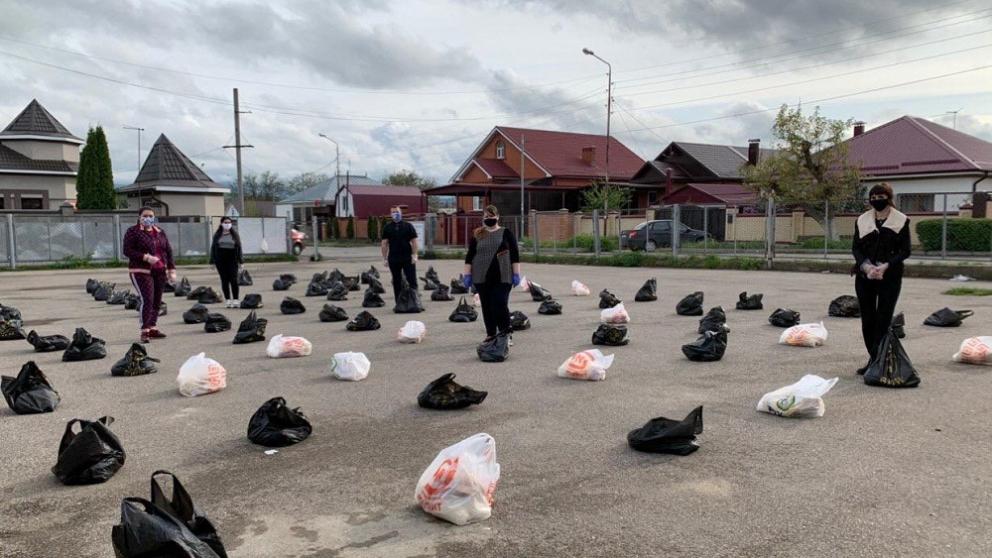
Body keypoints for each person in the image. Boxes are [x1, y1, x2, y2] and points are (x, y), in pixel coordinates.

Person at [851, 183, 911, 374]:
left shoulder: (901, 220)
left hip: (890, 276)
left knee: (883, 320)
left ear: (889, 197)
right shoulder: (862, 220)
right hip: (865, 275)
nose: (876, 200)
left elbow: (905, 250)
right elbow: (856, 248)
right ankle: (874, 359)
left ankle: (880, 361)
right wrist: (866, 266)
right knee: (868, 319)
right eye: (873, 197)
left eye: (881, 196)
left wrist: (886, 265)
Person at [463, 205, 521, 341]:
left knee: (500, 304)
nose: (489, 219)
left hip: (503, 276)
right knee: (487, 306)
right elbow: (470, 256)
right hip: (481, 276)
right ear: (483, 218)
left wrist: (516, 274)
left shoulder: (506, 233)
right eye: (486, 217)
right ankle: (491, 334)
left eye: (491, 216)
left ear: (498, 217)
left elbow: (515, 255)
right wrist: (467, 275)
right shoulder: (478, 234)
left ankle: (506, 333)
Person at [122, 207, 176, 343]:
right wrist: (145, 257)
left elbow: (168, 250)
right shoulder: (133, 231)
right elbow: (127, 251)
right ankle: (145, 330)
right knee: (148, 299)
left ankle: (152, 327)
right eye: (145, 216)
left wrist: (171, 269)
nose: (148, 218)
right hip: (141, 270)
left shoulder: (159, 232)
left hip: (159, 270)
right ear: (139, 217)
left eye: (150, 216)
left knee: (157, 301)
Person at [380, 205, 419, 299]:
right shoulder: (387, 227)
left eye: (397, 212)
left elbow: (414, 241)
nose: (395, 214)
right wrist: (384, 258)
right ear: (390, 214)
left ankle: (415, 300)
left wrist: (415, 255)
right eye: (393, 212)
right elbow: (384, 243)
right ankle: (398, 302)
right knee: (397, 281)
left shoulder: (408, 226)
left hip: (407, 257)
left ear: (401, 213)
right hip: (394, 258)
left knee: (412, 280)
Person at [210, 216, 244, 308]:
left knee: (233, 280)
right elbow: (213, 248)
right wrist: (212, 261)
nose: (227, 224)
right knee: (224, 280)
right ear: (221, 223)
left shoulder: (234, 234)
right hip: (220, 260)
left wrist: (241, 262)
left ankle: (236, 299)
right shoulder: (217, 235)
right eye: (225, 222)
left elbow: (239, 248)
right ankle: (228, 300)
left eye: (229, 222)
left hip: (232, 259)